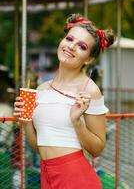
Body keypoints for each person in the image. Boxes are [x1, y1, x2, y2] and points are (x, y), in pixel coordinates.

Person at [13, 13, 115, 189]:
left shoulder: (89, 90)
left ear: (89, 59)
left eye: (82, 46)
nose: (71, 47)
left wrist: (77, 122)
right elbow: (40, 147)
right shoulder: (42, 89)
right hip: (47, 176)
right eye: (69, 39)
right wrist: (26, 122)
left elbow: (97, 149)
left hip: (76, 179)